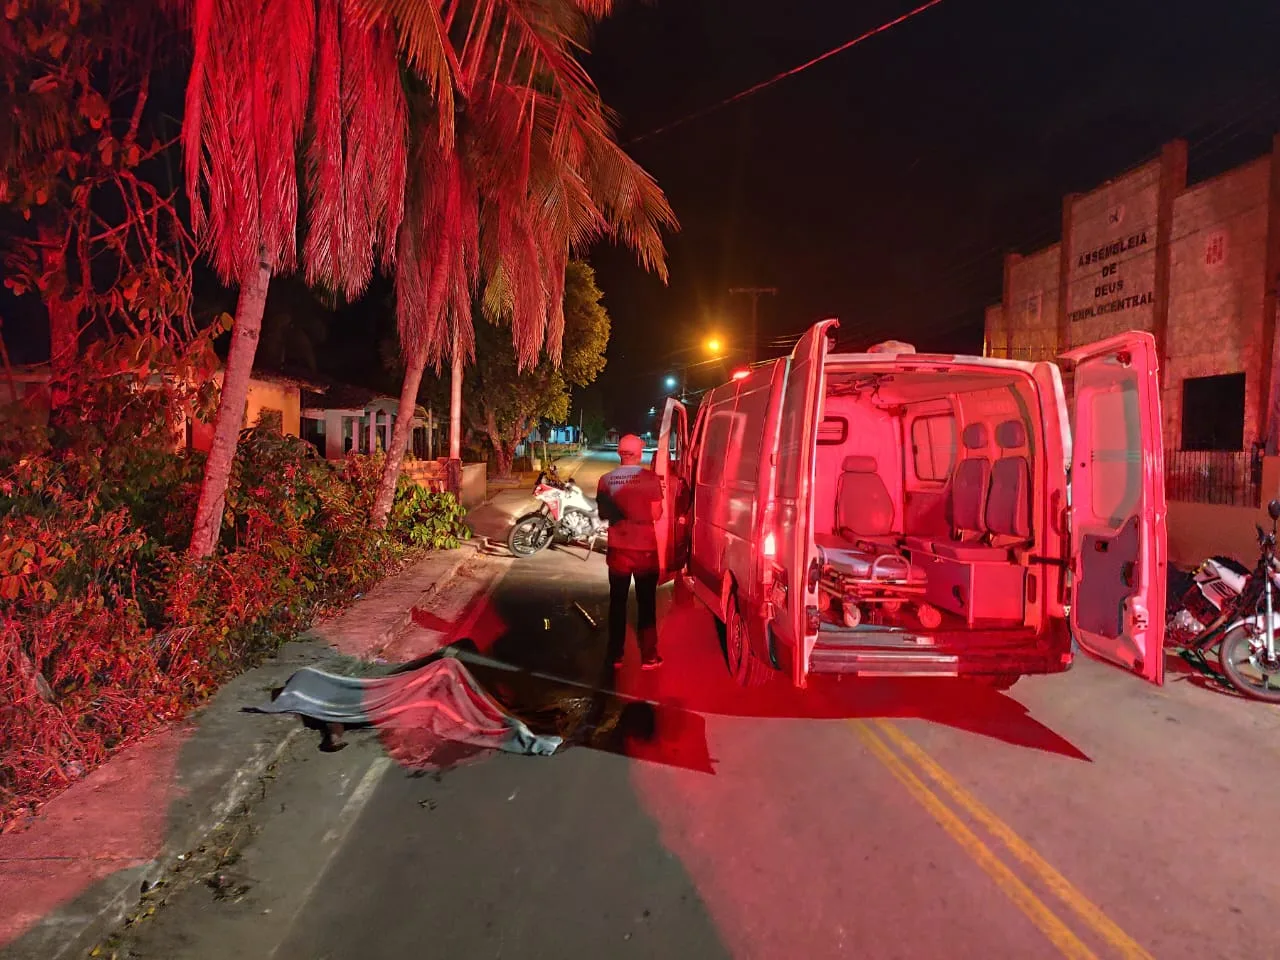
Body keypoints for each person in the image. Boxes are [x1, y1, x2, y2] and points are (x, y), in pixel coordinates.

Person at [596, 434, 665, 670]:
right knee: (646, 604)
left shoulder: (605, 480)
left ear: (619, 453)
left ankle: (616, 654)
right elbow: (657, 514)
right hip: (645, 549)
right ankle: (649, 657)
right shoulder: (650, 479)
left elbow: (604, 514)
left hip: (618, 550)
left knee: (617, 602)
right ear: (639, 453)